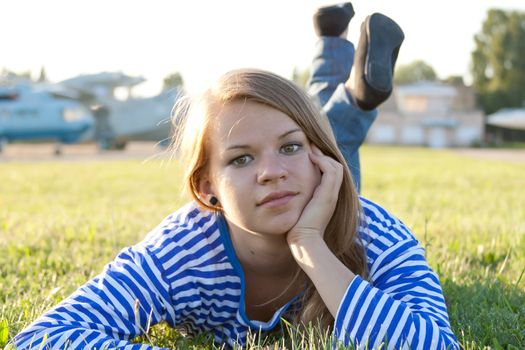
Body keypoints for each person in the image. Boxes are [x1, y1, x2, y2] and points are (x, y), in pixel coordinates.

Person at [11, 4, 459, 350]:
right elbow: (41, 338)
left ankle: (333, 50)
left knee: (328, 132)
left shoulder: (373, 231)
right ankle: (337, 56)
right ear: (207, 189)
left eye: (290, 148)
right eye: (241, 159)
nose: (271, 173)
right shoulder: (184, 251)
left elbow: (437, 344)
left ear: (321, 160)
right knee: (317, 124)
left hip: (333, 212)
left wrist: (310, 245)